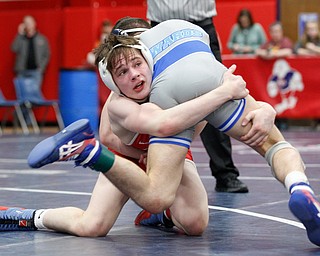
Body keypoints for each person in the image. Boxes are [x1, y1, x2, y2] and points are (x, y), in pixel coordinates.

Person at [6, 17, 320, 246]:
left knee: (195, 224)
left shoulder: (171, 84)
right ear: (113, 80)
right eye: (122, 72)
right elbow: (164, 123)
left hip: (170, 153)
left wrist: (266, 109)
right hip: (126, 161)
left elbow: (208, 110)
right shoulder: (120, 104)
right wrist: (225, 92)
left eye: (137, 63)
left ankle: (161, 217)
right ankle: (27, 214)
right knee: (93, 226)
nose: (134, 75)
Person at [147, 0, 248, 193]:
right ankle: (151, 172)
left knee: (217, 97)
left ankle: (225, 174)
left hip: (198, 25)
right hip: (159, 30)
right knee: (154, 101)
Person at [11, 15, 50, 88]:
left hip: (36, 71)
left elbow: (46, 54)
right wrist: (19, 34)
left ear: (34, 24)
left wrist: (41, 67)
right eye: (26, 23)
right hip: (22, 70)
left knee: (34, 93)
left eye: (29, 23)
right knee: (22, 93)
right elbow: (14, 48)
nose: (28, 25)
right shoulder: (21, 38)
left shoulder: (41, 38)